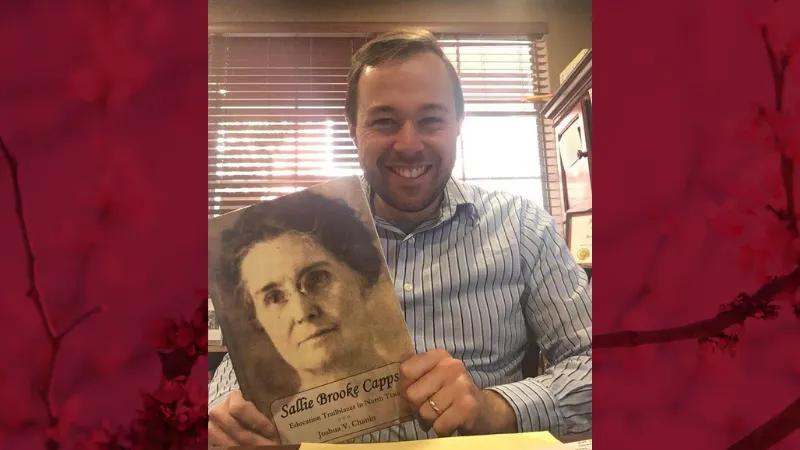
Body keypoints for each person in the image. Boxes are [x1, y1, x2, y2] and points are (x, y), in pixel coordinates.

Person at [208, 28, 592, 446]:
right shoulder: (304, 232)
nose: (409, 145)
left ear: (458, 125)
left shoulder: (523, 229)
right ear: (353, 130)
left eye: (431, 120)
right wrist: (225, 414)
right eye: (384, 121)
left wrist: (495, 406)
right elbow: (237, 370)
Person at [216, 190, 410, 395]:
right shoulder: (266, 426)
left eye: (318, 279)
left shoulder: (423, 391)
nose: (302, 312)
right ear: (257, 318)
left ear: (362, 275)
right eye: (274, 297)